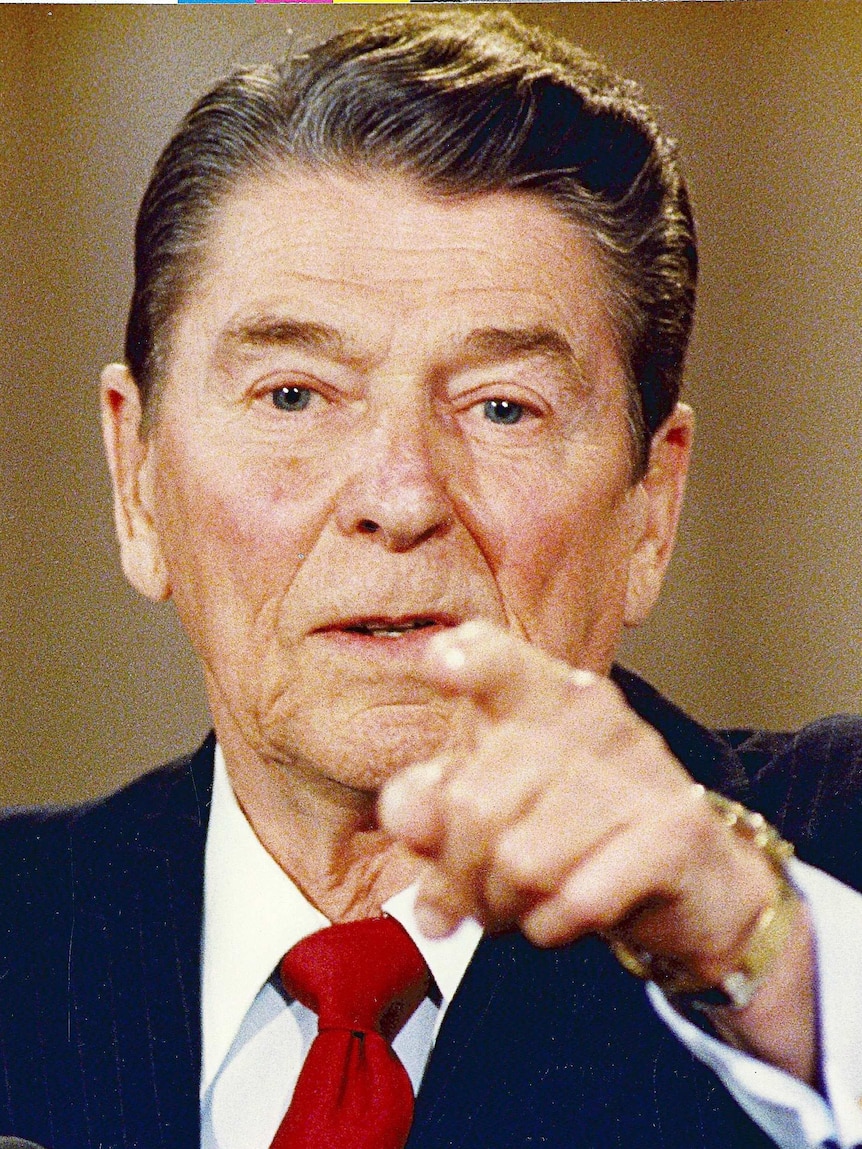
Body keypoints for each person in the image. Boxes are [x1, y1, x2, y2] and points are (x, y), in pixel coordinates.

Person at [1, 10, 861, 1149]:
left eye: (502, 408)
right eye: (294, 396)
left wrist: (762, 956)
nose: (400, 498)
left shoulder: (812, 875)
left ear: (650, 505)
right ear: (137, 474)